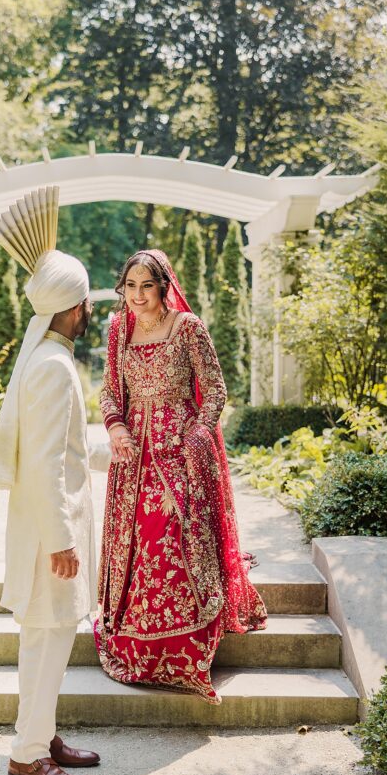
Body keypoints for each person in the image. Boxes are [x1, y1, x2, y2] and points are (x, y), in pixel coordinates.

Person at [94, 248, 268, 704]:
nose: (137, 295)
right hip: (134, 458)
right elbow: (111, 391)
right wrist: (116, 427)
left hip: (182, 454)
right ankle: (138, 641)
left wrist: (196, 436)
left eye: (146, 286)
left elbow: (215, 391)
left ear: (163, 285)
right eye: (129, 286)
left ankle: (184, 650)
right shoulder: (118, 330)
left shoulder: (188, 328)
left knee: (172, 541)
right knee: (143, 543)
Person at [0, 185, 104, 775]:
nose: (90, 312)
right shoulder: (54, 366)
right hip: (45, 535)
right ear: (70, 309)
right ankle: (29, 757)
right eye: (85, 303)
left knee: (48, 638)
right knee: (48, 640)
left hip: (40, 528)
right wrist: (62, 541)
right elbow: (43, 464)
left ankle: (44, 735)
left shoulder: (44, 357)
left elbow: (62, 451)